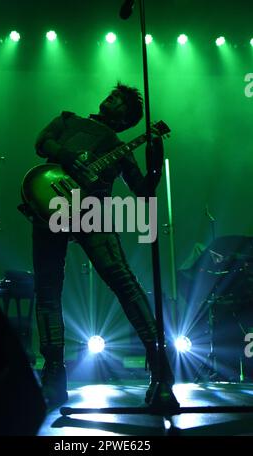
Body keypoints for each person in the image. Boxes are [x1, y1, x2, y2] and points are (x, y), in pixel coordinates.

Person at [30, 82, 174, 407]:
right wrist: (67, 156)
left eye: (120, 102)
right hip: (49, 205)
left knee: (123, 281)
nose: (112, 100)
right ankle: (54, 371)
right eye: (113, 96)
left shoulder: (118, 145)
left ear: (127, 119)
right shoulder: (68, 120)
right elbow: (42, 142)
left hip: (93, 211)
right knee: (48, 290)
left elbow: (145, 192)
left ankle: (159, 364)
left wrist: (155, 158)